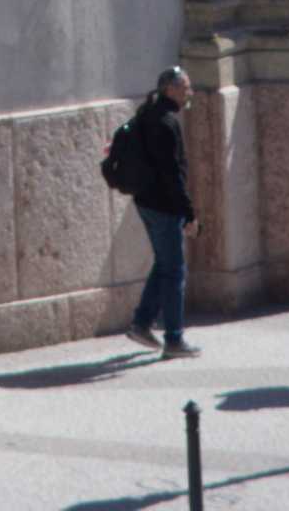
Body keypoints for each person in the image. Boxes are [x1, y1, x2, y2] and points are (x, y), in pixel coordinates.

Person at [108, 66, 194, 360]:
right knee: (174, 271)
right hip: (163, 205)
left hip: (146, 202)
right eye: (185, 88)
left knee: (165, 264)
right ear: (170, 90)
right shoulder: (167, 122)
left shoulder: (147, 113)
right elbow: (173, 174)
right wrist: (189, 212)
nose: (189, 93)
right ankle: (174, 339)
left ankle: (142, 324)